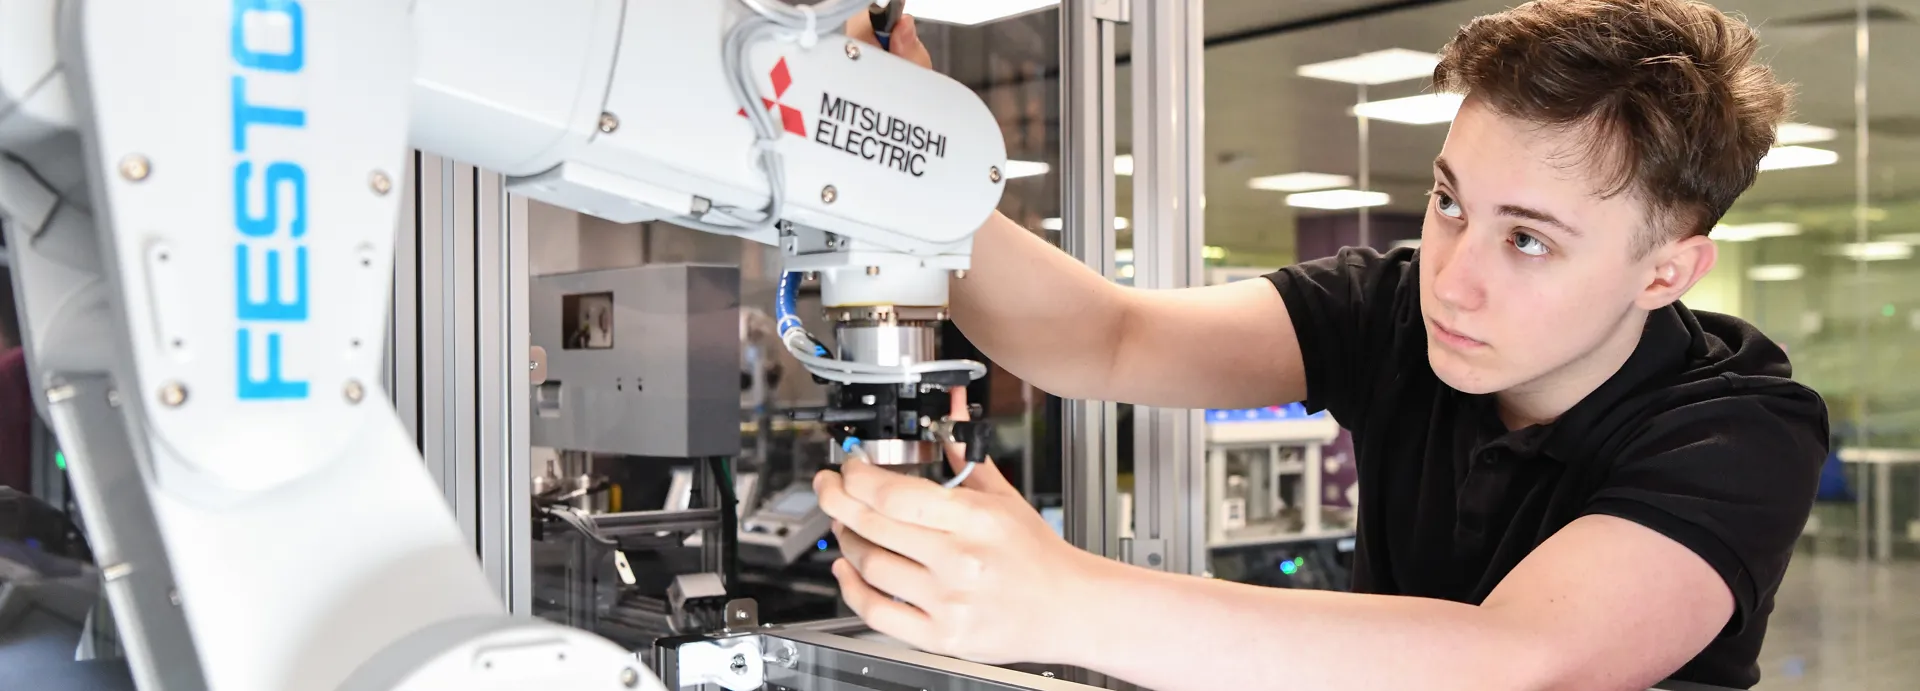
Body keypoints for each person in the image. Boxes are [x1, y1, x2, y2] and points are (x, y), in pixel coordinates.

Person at [813, 1, 1829, 689]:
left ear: (1666, 273)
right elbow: (1107, 337)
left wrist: (1065, 601)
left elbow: (1521, 659)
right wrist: (916, 161)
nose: (1452, 272)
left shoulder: (1740, 425)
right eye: (1447, 202)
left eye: (1528, 238)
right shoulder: (1397, 310)